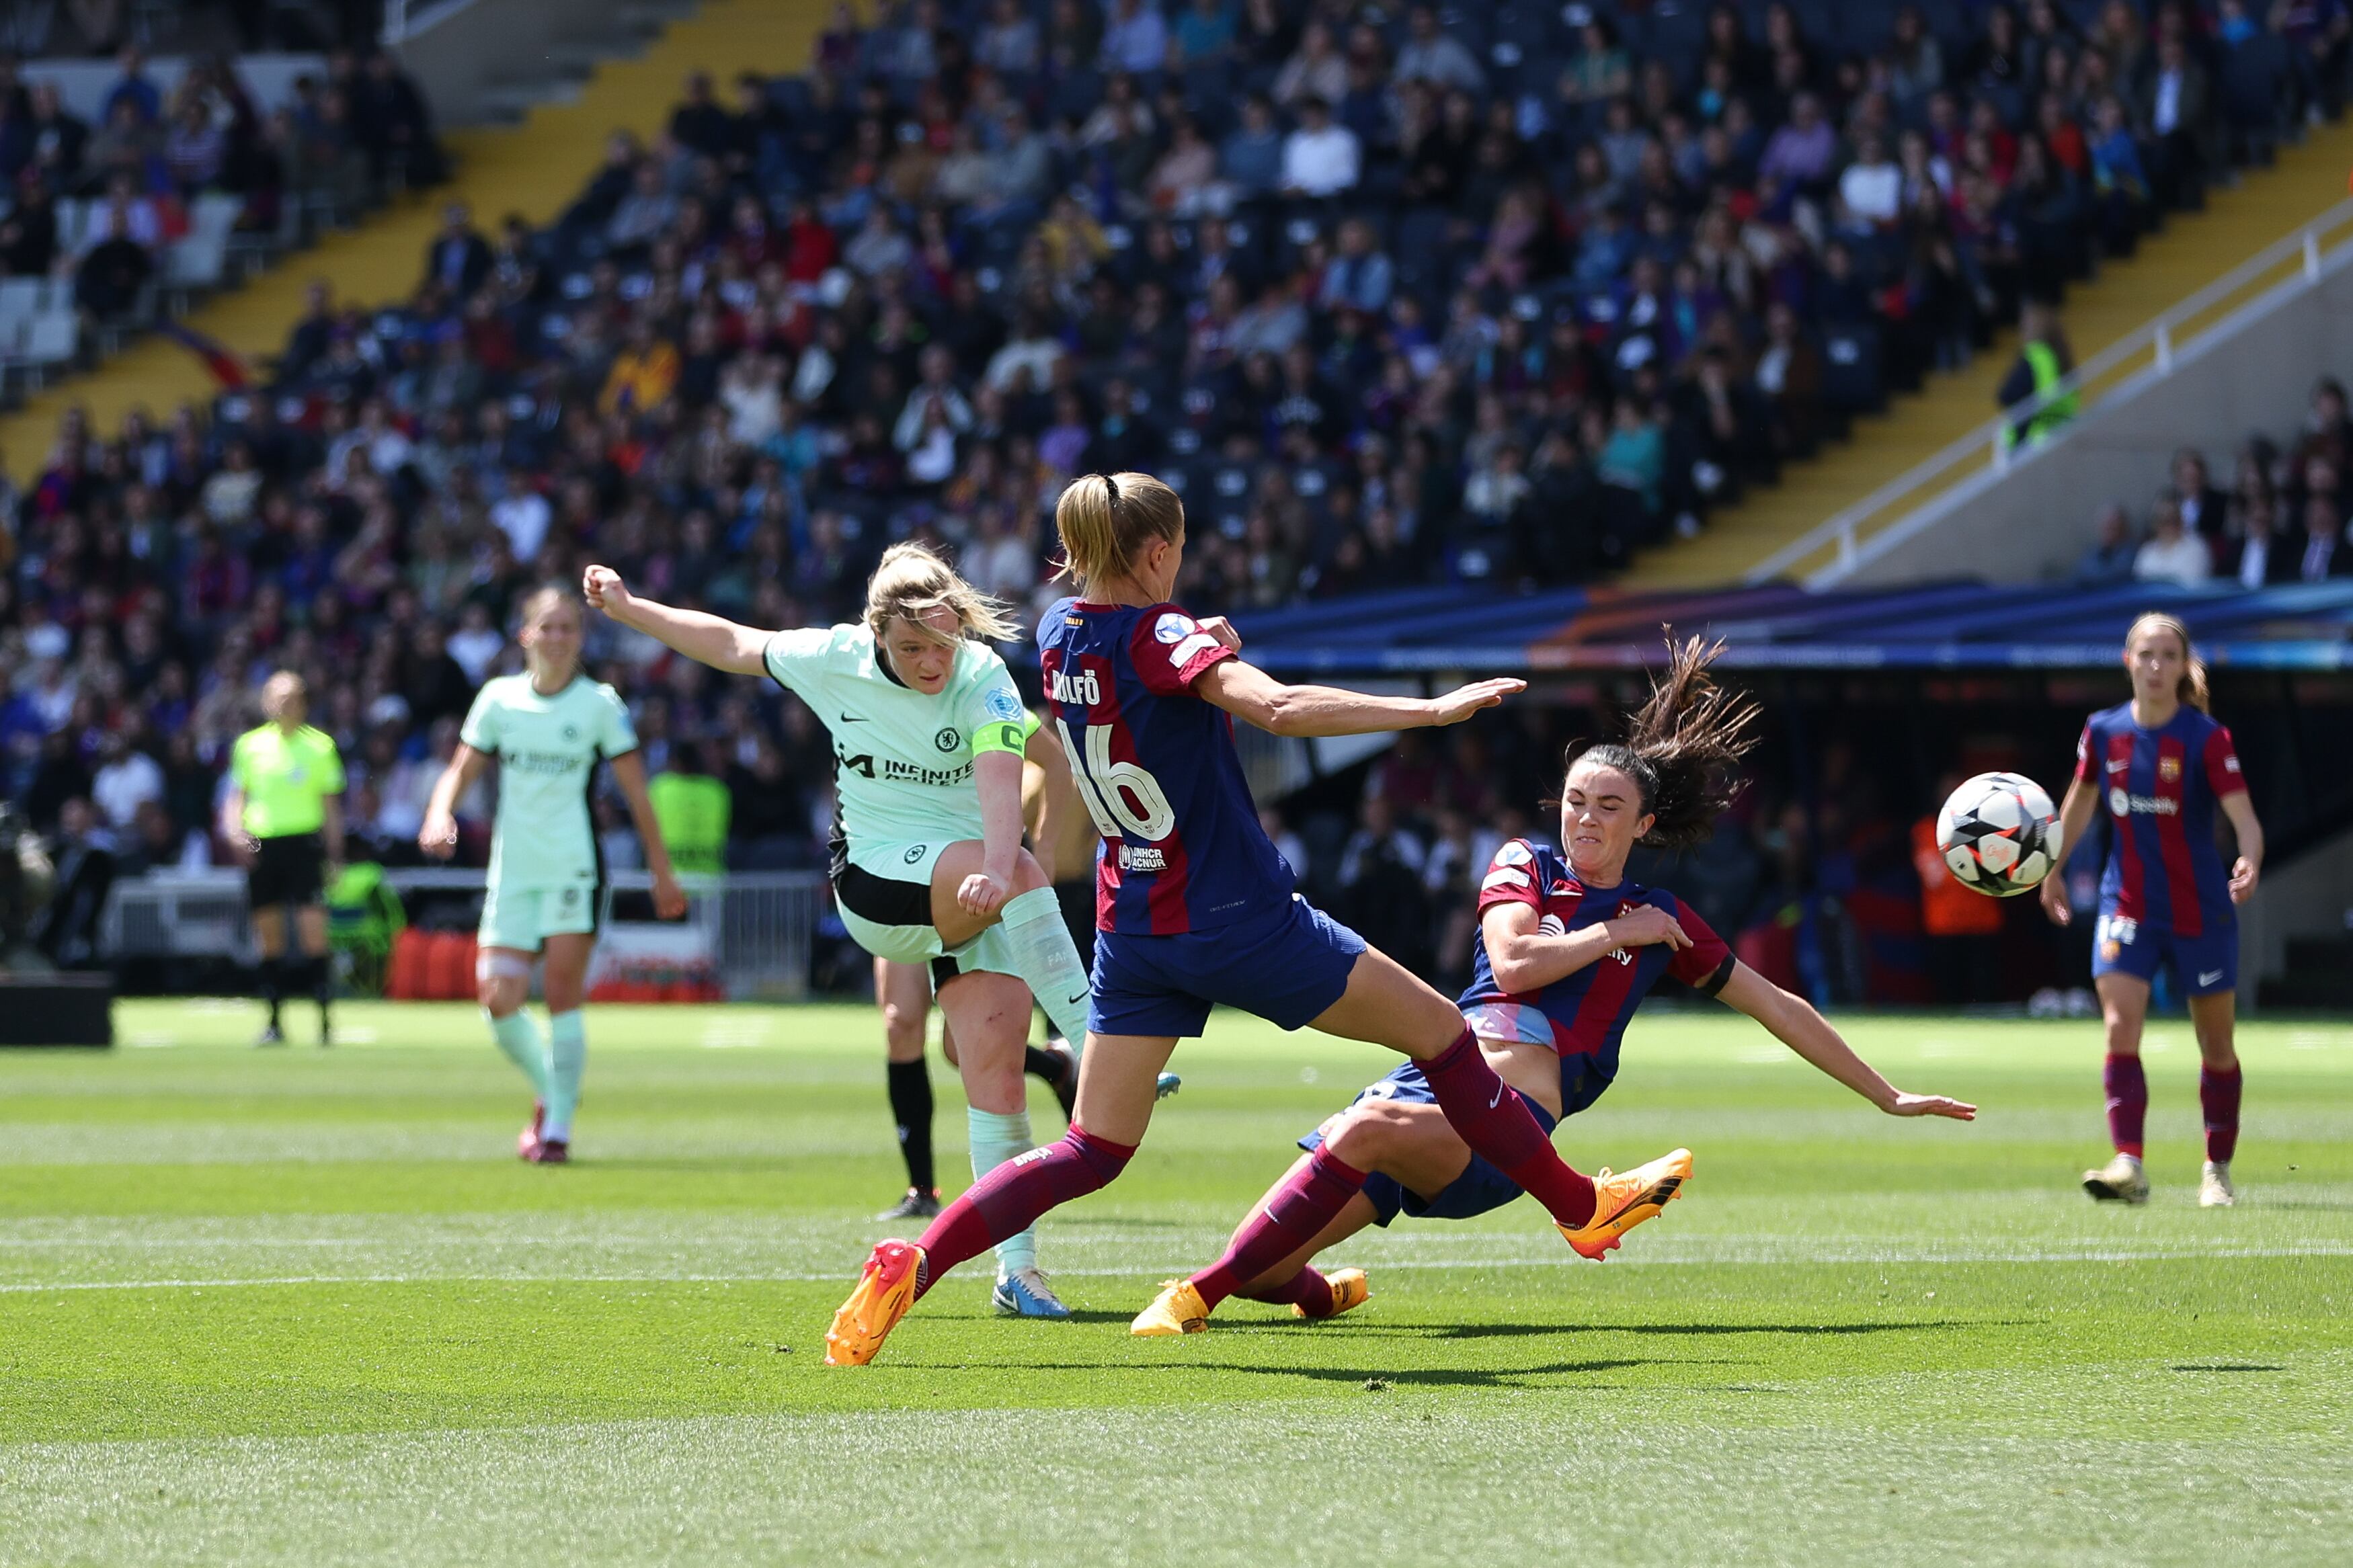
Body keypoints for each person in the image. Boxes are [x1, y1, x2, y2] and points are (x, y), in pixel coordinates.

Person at [822, 472, 1684, 1367]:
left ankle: (913, 1262)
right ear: (1159, 552)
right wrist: (1428, 708)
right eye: (1179, 549)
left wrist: (1204, 648)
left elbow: (1146, 690)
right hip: (1239, 918)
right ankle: (1580, 1208)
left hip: (1136, 928)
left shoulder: (1057, 632)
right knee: (1441, 1033)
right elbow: (1271, 705)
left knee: (1090, 1146)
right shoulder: (1162, 631)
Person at [1154, 641, 1977, 1329]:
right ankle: (1326, 1287)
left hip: (1502, 1126)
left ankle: (1190, 1297)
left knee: (1362, 1129)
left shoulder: (1662, 914)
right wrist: (1613, 932)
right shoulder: (1527, 865)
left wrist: (1885, 1093)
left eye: (1608, 806)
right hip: (1427, 1083)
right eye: (1575, 800)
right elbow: (1512, 965)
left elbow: (1774, 1004)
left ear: (1643, 825)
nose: (1584, 818)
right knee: (1269, 1264)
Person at [584, 544, 1105, 1318]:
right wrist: (631, 608)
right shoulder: (834, 657)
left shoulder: (981, 675)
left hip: (970, 886)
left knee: (993, 1078)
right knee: (1013, 890)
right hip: (876, 881)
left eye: (941, 642)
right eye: (911, 648)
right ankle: (1098, 1041)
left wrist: (1008, 860)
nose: (931, 662)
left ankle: (1017, 1271)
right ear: (875, 637)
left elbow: (1015, 775)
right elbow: (730, 642)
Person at [873, 707, 1180, 1225]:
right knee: (900, 1023)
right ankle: (922, 1187)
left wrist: (1044, 848)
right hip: (895, 871)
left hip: (968, 877)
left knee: (960, 1047)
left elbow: (1053, 767)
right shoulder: (870, 694)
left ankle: (1075, 1067)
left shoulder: (981, 694)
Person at [420, 587, 686, 1163]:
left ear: (580, 639)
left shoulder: (599, 705)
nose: (558, 638)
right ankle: (554, 1088)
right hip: (514, 869)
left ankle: (558, 1130)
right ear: (525, 636)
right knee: (498, 999)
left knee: (562, 996)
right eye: (547, 627)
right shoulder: (498, 700)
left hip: (574, 868)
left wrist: (662, 871)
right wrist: (440, 813)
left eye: (568, 627)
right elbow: (461, 771)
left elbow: (638, 795)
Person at [2040, 613, 2263, 1208]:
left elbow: (2244, 817)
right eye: (2147, 654)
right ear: (2128, 661)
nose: (2157, 666)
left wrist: (2250, 858)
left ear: (2181, 666)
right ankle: (2129, 1164)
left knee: (2216, 1045)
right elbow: (2081, 801)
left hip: (2201, 909)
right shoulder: (2104, 730)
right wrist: (2053, 865)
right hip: (2127, 903)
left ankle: (2216, 1169)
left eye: (2168, 655)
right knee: (2119, 1026)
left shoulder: (2205, 737)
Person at [221, 672, 346, 1046]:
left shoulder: (321, 747)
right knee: (269, 935)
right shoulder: (250, 745)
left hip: (305, 844)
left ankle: (324, 1021)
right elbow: (237, 796)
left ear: (304, 703)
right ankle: (274, 1021)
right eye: (276, 696)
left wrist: (334, 855)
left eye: (291, 697)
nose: (283, 704)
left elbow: (331, 807)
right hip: (264, 844)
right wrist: (234, 830)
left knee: (313, 934)